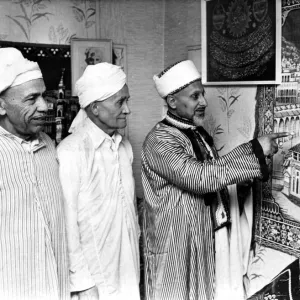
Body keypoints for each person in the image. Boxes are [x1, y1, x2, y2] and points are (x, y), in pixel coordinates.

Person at [141, 60, 288, 300]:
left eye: (203, 94)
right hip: (174, 242)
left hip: (200, 235)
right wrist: (255, 150)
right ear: (172, 101)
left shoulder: (196, 134)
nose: (204, 102)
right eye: (195, 96)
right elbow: (200, 177)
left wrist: (239, 182)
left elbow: (213, 171)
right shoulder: (160, 141)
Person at [57, 63, 140, 300]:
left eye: (128, 100)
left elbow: (129, 213)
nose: (127, 110)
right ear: (94, 107)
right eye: (119, 102)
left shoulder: (123, 146)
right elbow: (68, 224)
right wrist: (82, 283)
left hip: (127, 267)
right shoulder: (72, 151)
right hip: (94, 277)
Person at [0, 47, 69, 300]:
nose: (45, 106)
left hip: (56, 285)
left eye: (44, 96)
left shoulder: (49, 145)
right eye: (32, 99)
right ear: (1, 105)